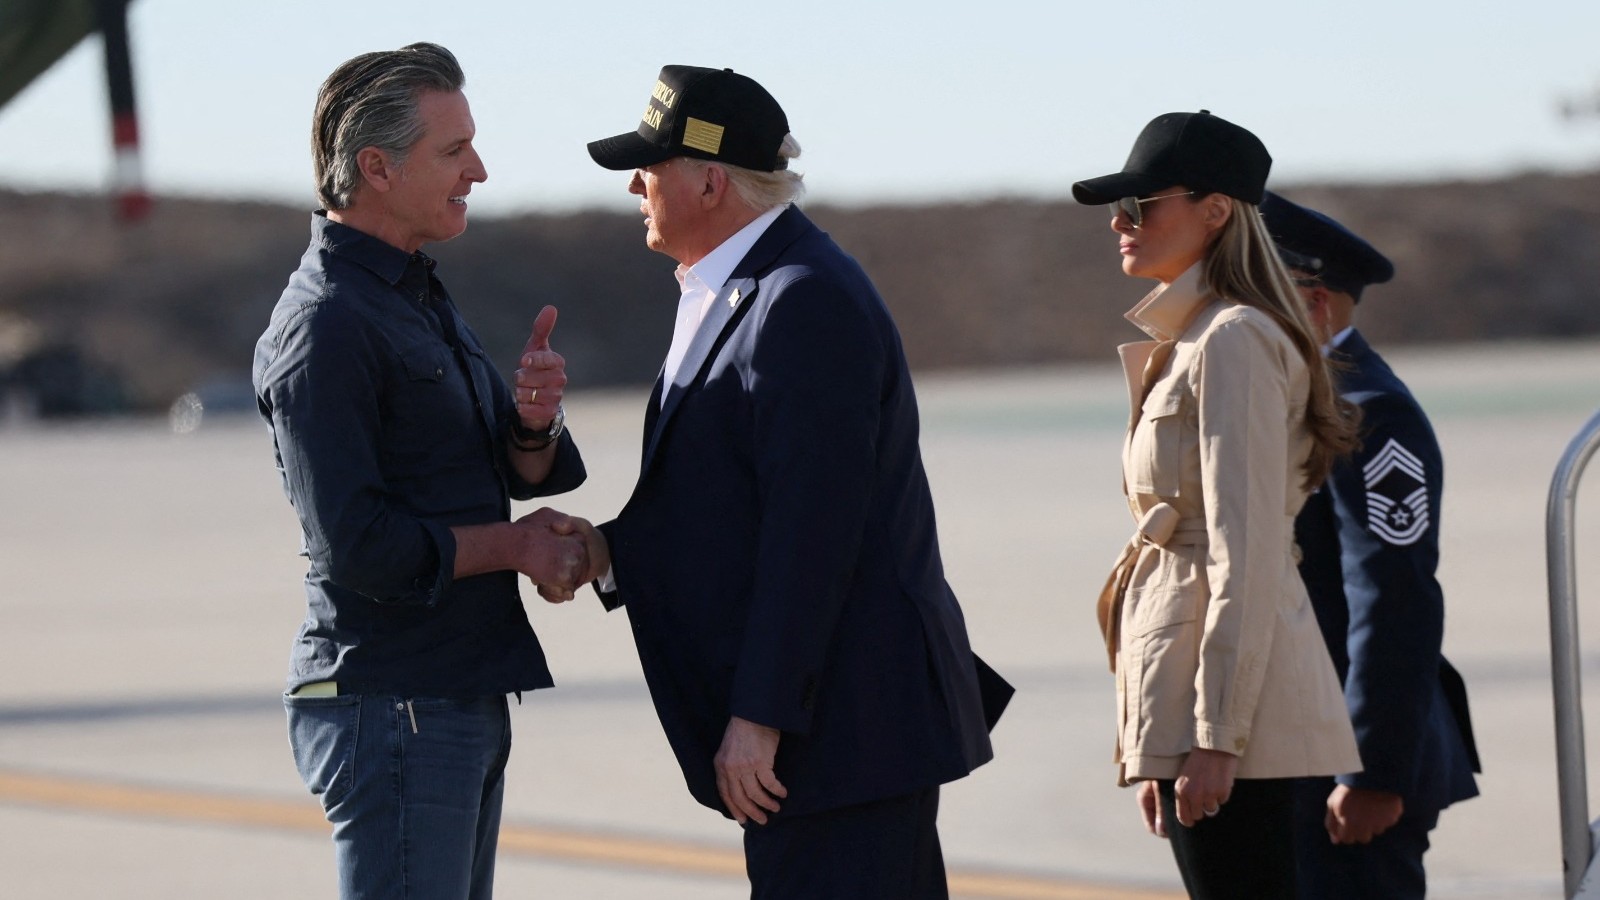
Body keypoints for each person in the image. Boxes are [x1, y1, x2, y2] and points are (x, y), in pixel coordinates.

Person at [546, 64, 1012, 899]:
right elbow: (733, 506)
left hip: (844, 735)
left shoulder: (802, 299)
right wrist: (609, 552)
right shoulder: (745, 288)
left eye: (649, 167)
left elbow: (814, 533)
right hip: (834, 736)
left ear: (710, 182)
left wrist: (761, 717)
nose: (634, 187)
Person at [251, 42, 589, 900]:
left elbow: (503, 470)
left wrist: (533, 422)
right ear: (377, 167)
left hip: (451, 694)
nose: (478, 170)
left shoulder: (409, 295)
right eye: (454, 150)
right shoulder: (327, 326)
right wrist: (514, 547)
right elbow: (359, 546)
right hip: (395, 706)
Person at [1072, 110, 1363, 898]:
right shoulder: (1196, 337)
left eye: (1140, 205)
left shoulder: (1234, 340)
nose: (1120, 223)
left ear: (1216, 210)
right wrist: (1160, 738)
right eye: (1117, 208)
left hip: (1228, 705)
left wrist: (1215, 738)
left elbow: (1246, 551)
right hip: (1191, 692)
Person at [1259, 191, 1481, 899]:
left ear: (1315, 303)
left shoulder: (1367, 412)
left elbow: (1393, 597)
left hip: (1348, 770)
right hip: (1294, 753)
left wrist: (1372, 773)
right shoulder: (1286, 400)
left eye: (1256, 294)